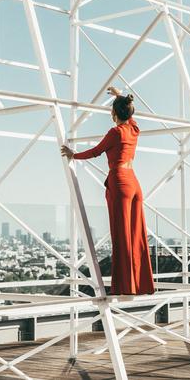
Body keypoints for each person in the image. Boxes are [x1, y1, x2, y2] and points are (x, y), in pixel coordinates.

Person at [60, 87, 155, 296]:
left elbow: (96, 151)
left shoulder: (116, 132)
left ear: (114, 114)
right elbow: (130, 116)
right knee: (136, 234)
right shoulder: (133, 130)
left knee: (121, 235)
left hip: (120, 182)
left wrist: (72, 154)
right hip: (134, 183)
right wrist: (119, 95)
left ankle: (124, 287)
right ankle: (141, 284)